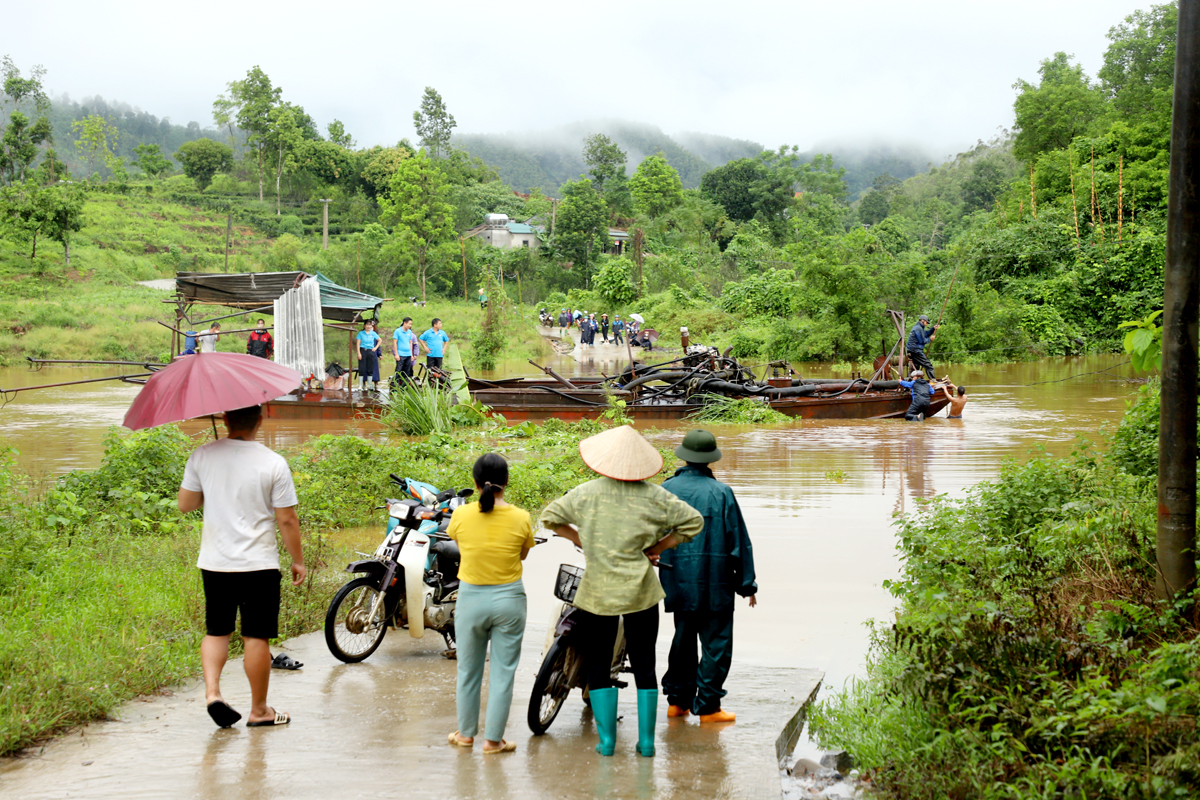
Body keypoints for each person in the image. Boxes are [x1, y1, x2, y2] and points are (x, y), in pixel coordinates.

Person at [541, 425, 703, 758]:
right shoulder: (656, 496)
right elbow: (694, 522)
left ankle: (607, 742)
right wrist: (659, 546)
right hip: (641, 591)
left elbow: (550, 517)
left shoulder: (586, 493)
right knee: (645, 664)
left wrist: (581, 539)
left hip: (598, 592)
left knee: (599, 664)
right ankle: (646, 743)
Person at [177, 404, 305, 729]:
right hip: (258, 565)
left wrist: (211, 486)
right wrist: (298, 560)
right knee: (255, 636)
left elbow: (185, 504)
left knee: (217, 630)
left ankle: (213, 694)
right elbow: (287, 519)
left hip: (215, 562)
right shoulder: (273, 463)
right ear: (260, 420)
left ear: (224, 418)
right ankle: (259, 710)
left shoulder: (202, 456)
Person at [659, 430, 757, 724]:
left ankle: (677, 703)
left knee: (683, 638)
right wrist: (747, 584)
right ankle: (709, 707)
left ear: (684, 456)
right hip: (717, 582)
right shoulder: (722, 493)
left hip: (677, 580)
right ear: (710, 460)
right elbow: (739, 540)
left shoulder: (665, 489)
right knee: (716, 643)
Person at [446, 453, 535, 755]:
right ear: (506, 482)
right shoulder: (521, 517)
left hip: (471, 599)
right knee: (503, 672)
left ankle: (466, 735)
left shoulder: (460, 516)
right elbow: (522, 555)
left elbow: (462, 549)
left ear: (475, 482)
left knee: (468, 671)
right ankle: (493, 741)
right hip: (509, 600)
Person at [906, 315, 939, 381]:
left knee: (915, 367)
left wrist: (933, 329)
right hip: (916, 351)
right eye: (926, 322)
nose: (926, 324)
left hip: (912, 351)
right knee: (928, 366)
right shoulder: (918, 329)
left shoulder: (918, 328)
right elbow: (922, 340)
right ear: (923, 321)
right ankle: (933, 381)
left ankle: (910, 381)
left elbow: (925, 334)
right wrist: (930, 339)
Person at [356, 320, 382, 390]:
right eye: (367, 325)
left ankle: (370, 385)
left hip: (371, 351)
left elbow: (380, 340)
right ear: (364, 325)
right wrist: (359, 353)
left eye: (370, 325)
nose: (368, 326)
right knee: (362, 368)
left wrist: (375, 348)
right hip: (363, 351)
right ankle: (360, 385)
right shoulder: (360, 333)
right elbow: (358, 344)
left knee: (370, 369)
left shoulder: (373, 333)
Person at [392, 317, 418, 384]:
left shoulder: (409, 332)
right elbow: (395, 342)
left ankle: (405, 387)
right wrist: (396, 354)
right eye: (409, 324)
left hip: (408, 354)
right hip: (400, 354)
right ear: (404, 323)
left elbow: (410, 343)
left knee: (407, 372)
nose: (410, 326)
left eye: (411, 324)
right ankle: (395, 387)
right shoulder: (397, 331)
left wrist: (411, 354)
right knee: (398, 371)